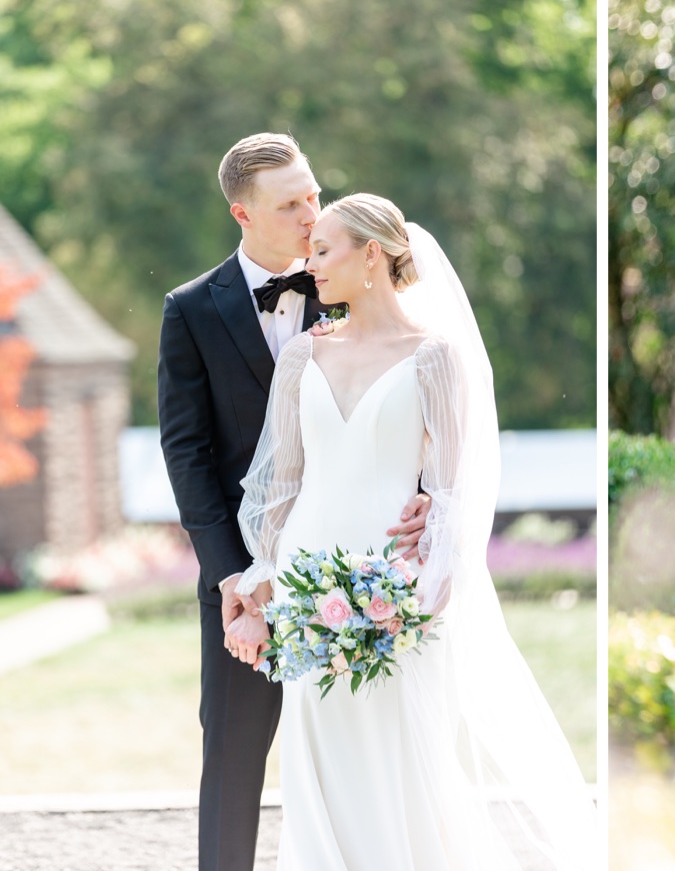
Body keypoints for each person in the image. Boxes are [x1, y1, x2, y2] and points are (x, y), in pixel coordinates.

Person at [226, 195, 596, 871]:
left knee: (401, 762)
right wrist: (259, 590)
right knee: (319, 758)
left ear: (373, 255)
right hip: (308, 587)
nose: (311, 264)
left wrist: (424, 582)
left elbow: (452, 491)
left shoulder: (435, 357)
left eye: (326, 248)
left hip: (395, 584)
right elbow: (277, 485)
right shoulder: (302, 356)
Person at [158, 134, 430, 871]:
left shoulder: (357, 276)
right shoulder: (190, 310)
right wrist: (234, 581)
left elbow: (422, 406)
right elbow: (187, 455)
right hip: (249, 574)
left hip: (365, 563)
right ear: (243, 213)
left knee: (369, 749)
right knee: (235, 757)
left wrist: (429, 500)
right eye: (291, 204)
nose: (313, 214)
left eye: (314, 194)